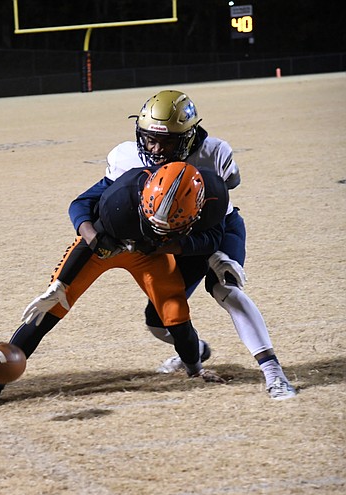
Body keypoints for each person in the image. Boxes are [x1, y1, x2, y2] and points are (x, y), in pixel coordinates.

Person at [0, 162, 229, 411]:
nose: (159, 228)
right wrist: (60, 284)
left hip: (152, 255)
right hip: (106, 245)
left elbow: (212, 241)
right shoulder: (121, 200)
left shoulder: (213, 198)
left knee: (174, 310)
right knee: (50, 308)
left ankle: (195, 369)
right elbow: (89, 241)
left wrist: (167, 244)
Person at [96, 90, 296, 400]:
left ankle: (273, 371)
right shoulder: (126, 156)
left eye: (169, 141)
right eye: (150, 138)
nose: (157, 149)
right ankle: (195, 350)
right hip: (173, 240)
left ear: (189, 137)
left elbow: (228, 189)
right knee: (159, 319)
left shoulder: (213, 151)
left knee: (224, 288)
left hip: (217, 228)